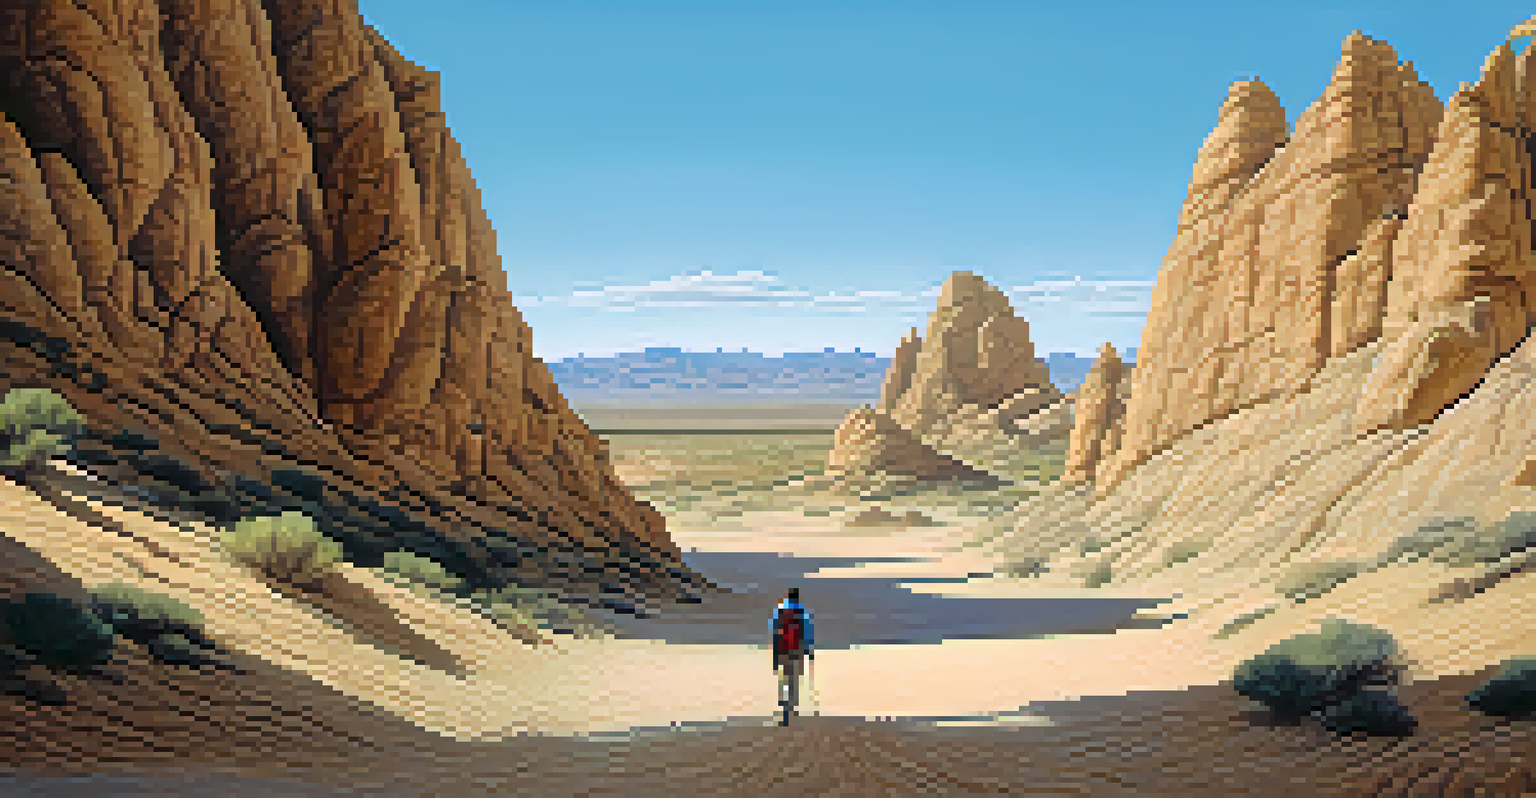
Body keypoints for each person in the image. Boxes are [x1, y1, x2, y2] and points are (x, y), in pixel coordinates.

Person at [770, 587, 815, 726]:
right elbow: (807, 631)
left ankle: (784, 704)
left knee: (783, 676)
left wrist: (775, 651)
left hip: (782, 649)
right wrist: (809, 650)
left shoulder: (780, 610)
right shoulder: (802, 612)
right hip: (797, 650)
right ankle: (792, 705)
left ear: (787, 597)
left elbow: (774, 630)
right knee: (794, 678)